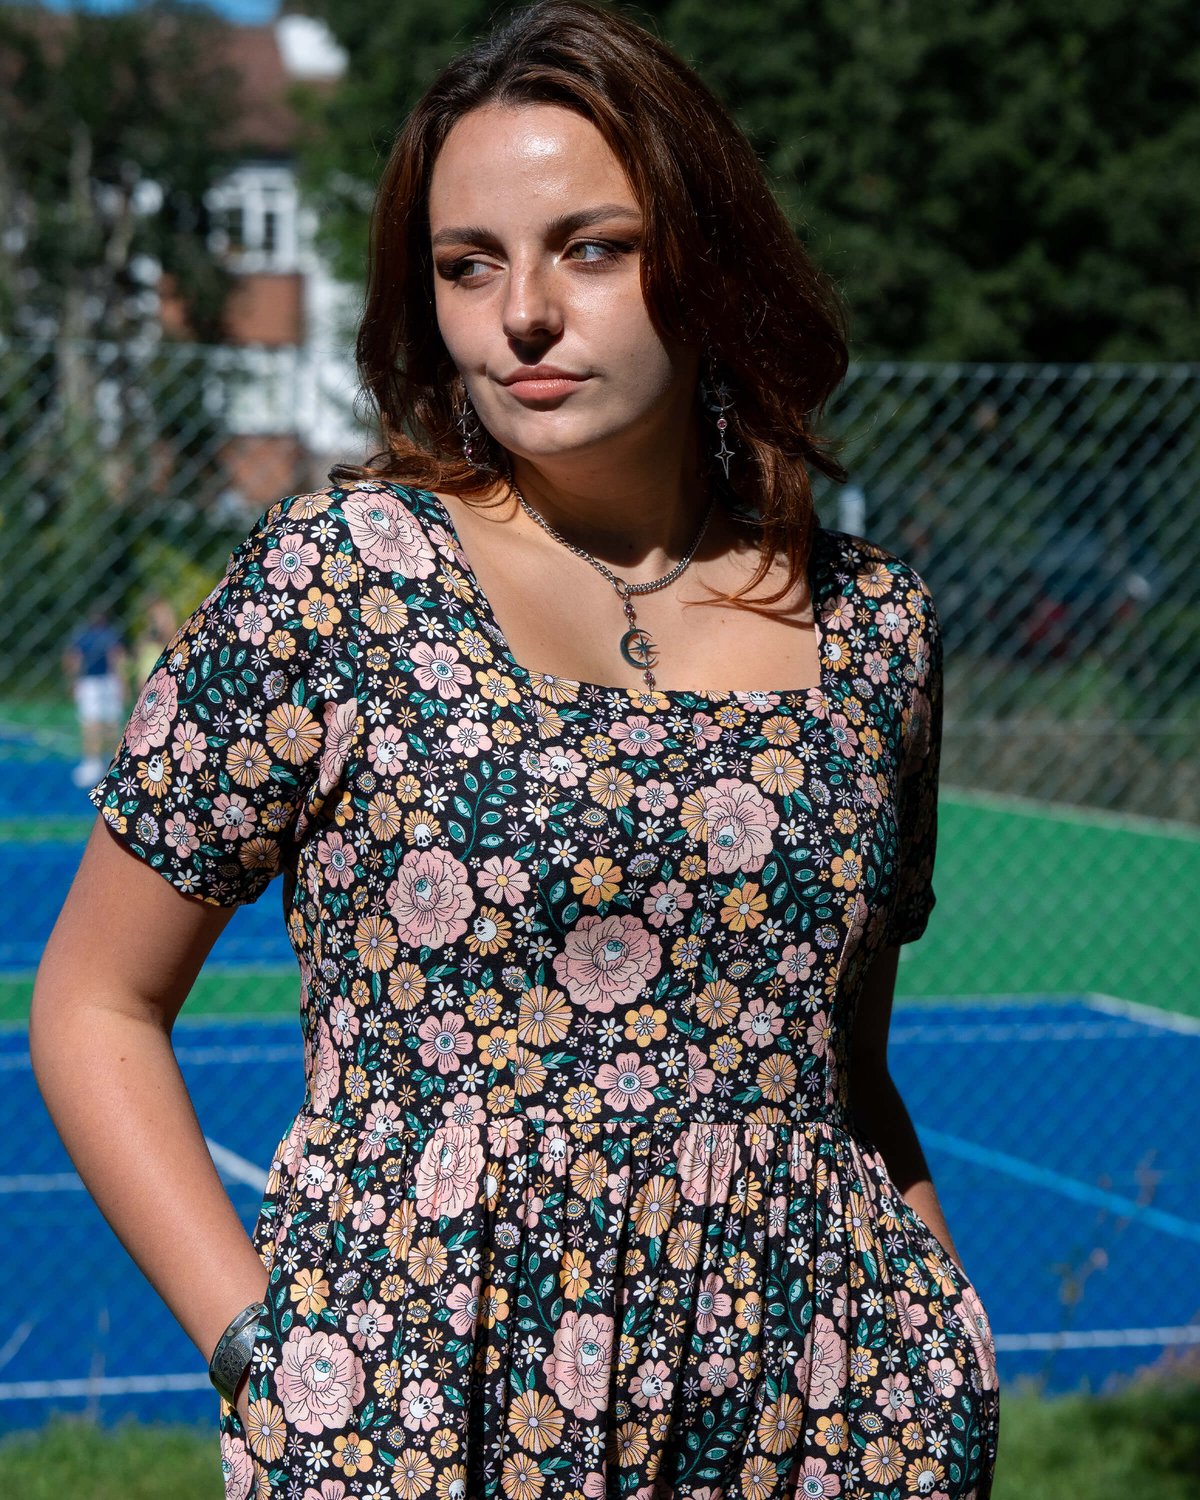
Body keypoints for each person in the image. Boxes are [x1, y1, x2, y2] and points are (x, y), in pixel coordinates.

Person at [31, 3, 1000, 1496]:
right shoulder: (342, 579)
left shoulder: (877, 631)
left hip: (834, 1420)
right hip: (432, 1413)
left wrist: (944, 1334)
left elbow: (842, 1069)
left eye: (592, 249)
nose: (522, 315)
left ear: (709, 258)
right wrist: (267, 1362)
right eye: (467, 264)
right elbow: (95, 1001)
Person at [62, 606, 126, 787]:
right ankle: (112, 762)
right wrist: (122, 681)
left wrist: (72, 680)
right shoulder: (109, 634)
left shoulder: (83, 635)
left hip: (91, 682)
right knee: (110, 722)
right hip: (106, 681)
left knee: (92, 723)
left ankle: (93, 763)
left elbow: (74, 658)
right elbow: (116, 657)